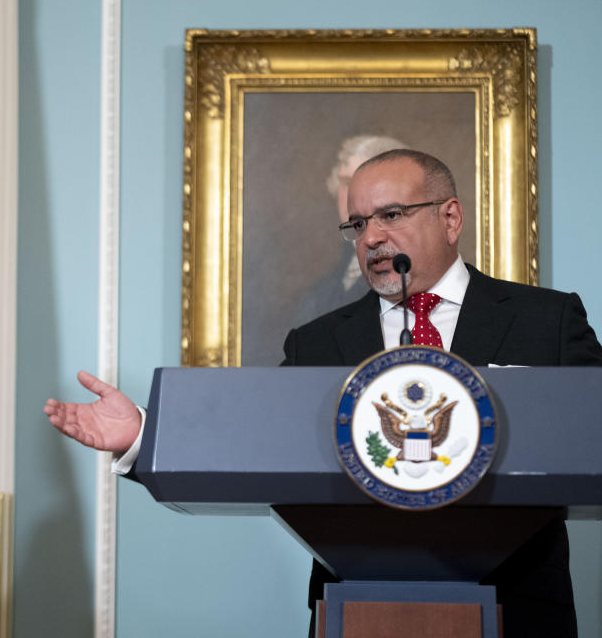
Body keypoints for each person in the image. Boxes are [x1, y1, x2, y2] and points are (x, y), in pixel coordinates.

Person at [44, 148, 602, 638]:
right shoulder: (317, 342)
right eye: (357, 225)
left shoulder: (547, 319)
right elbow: (256, 445)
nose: (372, 238)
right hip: (355, 609)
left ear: (450, 217)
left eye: (391, 215)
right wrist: (144, 433)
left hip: (522, 607)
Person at [292, 135, 407, 325]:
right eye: (345, 183)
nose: (350, 196)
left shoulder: (406, 274)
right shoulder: (317, 295)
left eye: (362, 183)